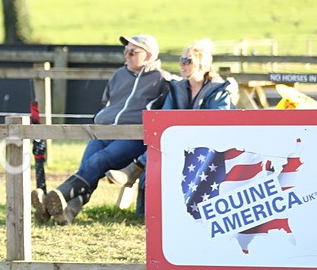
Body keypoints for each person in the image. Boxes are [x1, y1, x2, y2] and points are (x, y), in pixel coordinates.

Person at [34, 34, 170, 225]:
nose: (127, 55)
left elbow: (167, 110)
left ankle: (55, 198)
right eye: (125, 51)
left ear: (148, 56)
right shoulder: (118, 75)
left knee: (97, 161)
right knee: (87, 166)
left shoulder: (162, 81)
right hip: (104, 132)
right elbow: (108, 102)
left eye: (133, 52)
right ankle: (67, 212)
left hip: (133, 137)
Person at [106, 38, 238, 213]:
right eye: (181, 60)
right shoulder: (177, 88)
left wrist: (181, 130)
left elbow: (216, 124)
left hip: (209, 146)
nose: (182, 65)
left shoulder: (219, 90)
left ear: (201, 64)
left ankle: (135, 168)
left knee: (165, 146)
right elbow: (165, 119)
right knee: (158, 147)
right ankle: (147, 212)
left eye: (187, 61)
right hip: (178, 143)